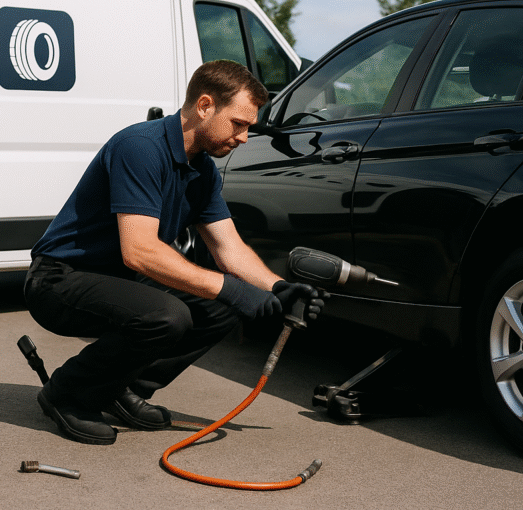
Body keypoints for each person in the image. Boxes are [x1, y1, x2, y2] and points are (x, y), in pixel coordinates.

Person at [24, 60, 323, 445]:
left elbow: (228, 246)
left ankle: (119, 389)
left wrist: (279, 288)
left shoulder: (203, 170)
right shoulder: (140, 147)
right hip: (58, 280)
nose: (245, 137)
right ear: (204, 106)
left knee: (218, 308)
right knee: (168, 315)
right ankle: (67, 393)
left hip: (116, 280)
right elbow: (140, 252)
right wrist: (232, 288)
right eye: (239, 123)